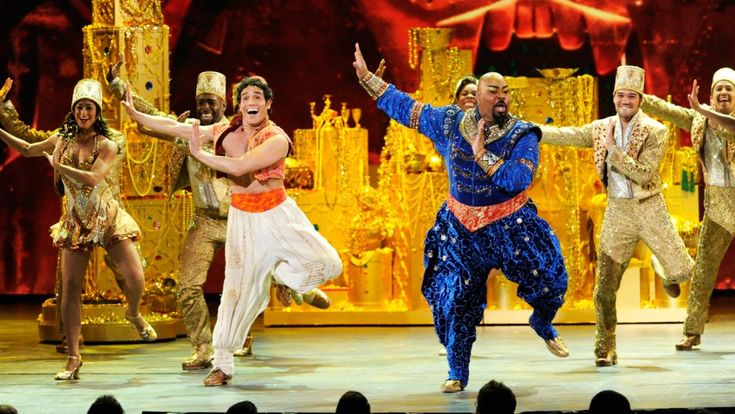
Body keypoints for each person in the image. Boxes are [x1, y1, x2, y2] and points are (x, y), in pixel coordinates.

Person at [353, 43, 570, 393]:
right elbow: (409, 109)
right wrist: (369, 82)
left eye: (505, 92)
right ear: (477, 97)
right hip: (460, 227)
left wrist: (482, 154)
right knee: (455, 300)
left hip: (510, 225)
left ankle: (542, 321)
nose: (501, 97)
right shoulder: (451, 122)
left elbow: (517, 180)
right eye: (493, 91)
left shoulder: (523, 134)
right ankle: (457, 371)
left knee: (550, 282)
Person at [122, 75, 342, 386]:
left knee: (330, 263)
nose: (251, 102)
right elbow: (180, 129)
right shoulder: (227, 132)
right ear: (239, 105)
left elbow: (240, 167)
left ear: (267, 103)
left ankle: (283, 277)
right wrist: (137, 115)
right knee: (237, 293)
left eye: (257, 97)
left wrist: (200, 155)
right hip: (243, 220)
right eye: (246, 97)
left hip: (278, 214)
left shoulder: (277, 138)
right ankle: (222, 364)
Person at [0, 79, 157, 380]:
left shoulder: (108, 144)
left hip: (106, 216)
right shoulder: (62, 138)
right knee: (69, 291)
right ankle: (73, 357)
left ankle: (133, 313)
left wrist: (59, 166)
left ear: (97, 112)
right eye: (80, 107)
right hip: (76, 220)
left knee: (136, 278)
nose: (84, 113)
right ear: (73, 111)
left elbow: (93, 179)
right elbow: (30, 148)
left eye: (89, 108)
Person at [540, 65, 694, 366]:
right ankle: (605, 347)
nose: (626, 101)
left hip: (649, 207)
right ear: (614, 97)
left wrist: (614, 151)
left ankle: (661, 265)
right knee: (604, 288)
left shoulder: (656, 130)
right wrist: (531, 131)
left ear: (640, 99)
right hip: (618, 211)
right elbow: (567, 135)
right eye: (621, 95)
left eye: (632, 96)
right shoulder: (601, 128)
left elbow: (645, 174)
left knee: (683, 272)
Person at [643, 71, 735, 351]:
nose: (723, 93)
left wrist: (700, 111)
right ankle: (692, 332)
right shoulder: (699, 119)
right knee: (703, 272)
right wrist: (635, 93)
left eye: (729, 90)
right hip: (718, 206)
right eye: (719, 88)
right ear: (710, 95)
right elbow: (666, 110)